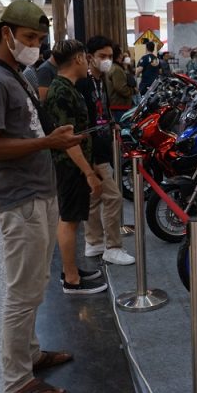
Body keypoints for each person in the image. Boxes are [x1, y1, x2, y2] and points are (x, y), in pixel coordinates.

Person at [0, 0, 81, 393]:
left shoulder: (14, 75)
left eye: (39, 39)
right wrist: (46, 143)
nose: (35, 45)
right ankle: (17, 380)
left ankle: (30, 353)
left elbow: (26, 131)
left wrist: (53, 140)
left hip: (38, 191)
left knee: (35, 285)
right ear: (7, 34)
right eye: (29, 37)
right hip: (20, 197)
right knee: (22, 291)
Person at [44, 39, 108, 294]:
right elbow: (67, 140)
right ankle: (71, 278)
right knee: (69, 220)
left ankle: (72, 269)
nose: (89, 63)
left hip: (76, 164)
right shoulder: (60, 91)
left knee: (73, 218)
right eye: (87, 57)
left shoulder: (69, 88)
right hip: (69, 165)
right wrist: (88, 172)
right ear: (79, 59)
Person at [77, 35, 136, 266]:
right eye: (102, 56)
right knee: (113, 197)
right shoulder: (83, 83)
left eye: (110, 56)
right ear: (89, 57)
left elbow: (102, 109)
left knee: (95, 197)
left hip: (102, 144)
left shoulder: (101, 80)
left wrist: (111, 123)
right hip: (92, 149)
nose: (107, 60)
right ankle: (113, 247)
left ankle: (94, 242)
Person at [107, 44, 134, 122]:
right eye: (121, 53)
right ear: (119, 55)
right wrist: (133, 91)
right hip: (119, 106)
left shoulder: (116, 67)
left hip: (119, 105)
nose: (123, 55)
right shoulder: (117, 69)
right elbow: (121, 88)